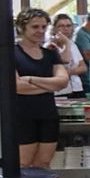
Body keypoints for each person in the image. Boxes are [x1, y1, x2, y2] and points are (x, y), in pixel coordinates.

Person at [12, 9, 69, 169]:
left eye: (44, 27)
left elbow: (63, 82)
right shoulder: (12, 53)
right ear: (22, 28)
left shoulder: (50, 53)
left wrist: (31, 79)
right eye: (35, 27)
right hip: (22, 114)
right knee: (24, 164)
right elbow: (16, 86)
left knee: (43, 163)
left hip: (47, 113)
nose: (40, 31)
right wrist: (50, 85)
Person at [48, 13, 87, 98]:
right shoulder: (50, 46)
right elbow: (66, 59)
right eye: (61, 26)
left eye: (68, 26)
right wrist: (66, 43)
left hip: (77, 87)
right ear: (54, 29)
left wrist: (68, 72)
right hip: (60, 90)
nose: (65, 29)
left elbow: (83, 67)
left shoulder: (73, 45)